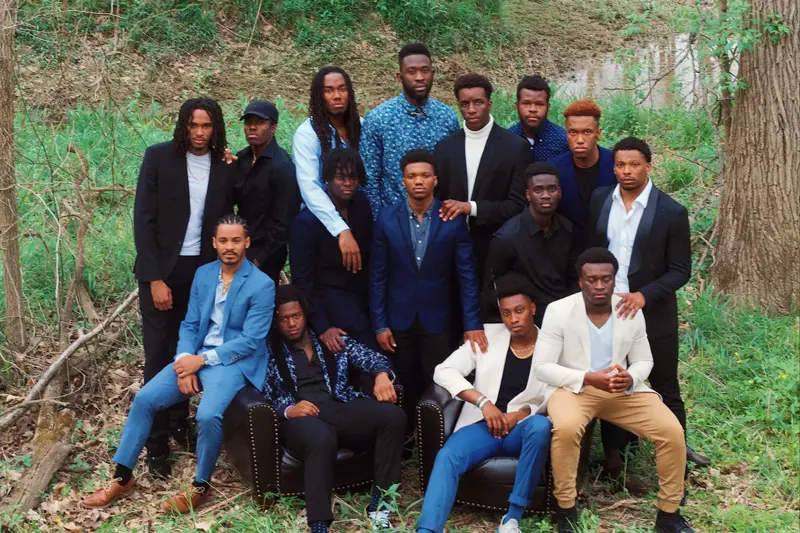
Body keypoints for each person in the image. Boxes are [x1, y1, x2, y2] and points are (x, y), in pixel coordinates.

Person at [82, 215, 275, 513]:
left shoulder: (262, 284)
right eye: (223, 240)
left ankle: (200, 486)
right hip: (195, 357)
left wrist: (201, 360)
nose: (230, 247)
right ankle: (122, 478)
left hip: (232, 363)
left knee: (208, 416)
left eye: (236, 240)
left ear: (246, 242)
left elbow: (251, 340)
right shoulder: (204, 274)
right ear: (214, 243)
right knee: (145, 398)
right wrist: (185, 360)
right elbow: (189, 323)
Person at [533, 248, 694, 533]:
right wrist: (587, 377)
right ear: (580, 280)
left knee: (671, 431)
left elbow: (645, 359)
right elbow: (543, 367)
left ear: (614, 280)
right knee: (567, 429)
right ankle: (566, 508)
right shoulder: (559, 311)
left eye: (605, 279)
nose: (598, 286)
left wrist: (630, 378)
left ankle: (668, 513)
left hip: (621, 391)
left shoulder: (629, 310)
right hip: (574, 388)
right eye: (591, 279)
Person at [589, 137, 710, 470]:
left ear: (648, 166)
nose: (626, 171)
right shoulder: (600, 200)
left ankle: (678, 455)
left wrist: (644, 295)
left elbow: (680, 271)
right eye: (620, 165)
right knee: (614, 382)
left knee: (665, 384)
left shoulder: (671, 211)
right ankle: (617, 459)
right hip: (608, 311)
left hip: (652, 312)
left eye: (634, 164)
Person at [132, 97, 235, 478]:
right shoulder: (159, 157)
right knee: (159, 356)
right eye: (193, 125)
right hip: (163, 270)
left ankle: (180, 423)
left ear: (216, 129)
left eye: (206, 126)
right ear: (182, 126)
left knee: (190, 350)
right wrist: (155, 277)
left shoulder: (224, 167)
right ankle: (156, 443)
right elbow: (143, 219)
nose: (199, 133)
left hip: (202, 272)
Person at [263, 285, 406, 533]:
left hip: (338, 406)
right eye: (284, 319)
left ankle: (381, 505)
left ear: (305, 314)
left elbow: (373, 358)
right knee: (321, 437)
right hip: (301, 417)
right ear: (276, 321)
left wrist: (382, 375)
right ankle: (319, 523)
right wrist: (287, 410)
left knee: (393, 417)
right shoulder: (268, 351)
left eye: (296, 316)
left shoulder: (329, 340)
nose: (291, 324)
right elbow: (260, 394)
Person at [416, 273, 552, 533]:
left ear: (533, 308)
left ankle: (511, 519)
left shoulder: (552, 344)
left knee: (539, 426)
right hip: (483, 427)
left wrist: (522, 413)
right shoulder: (488, 336)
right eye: (506, 313)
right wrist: (483, 402)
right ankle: (428, 529)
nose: (513, 319)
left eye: (520, 310)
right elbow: (443, 371)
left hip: (521, 431)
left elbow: (556, 392)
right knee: (447, 456)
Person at [370, 149, 487, 438]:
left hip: (439, 317)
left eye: (424, 175)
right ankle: (407, 438)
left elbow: (467, 275)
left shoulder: (452, 218)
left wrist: (472, 323)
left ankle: (436, 438)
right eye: (412, 176)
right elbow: (377, 276)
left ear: (435, 180)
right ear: (403, 181)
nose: (418, 181)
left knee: (438, 379)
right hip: (399, 318)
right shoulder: (387, 218)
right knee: (405, 379)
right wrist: (380, 323)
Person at [434, 73, 530, 278]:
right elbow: (438, 199)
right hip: (451, 247)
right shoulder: (444, 148)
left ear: (490, 104)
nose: (471, 110)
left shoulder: (515, 147)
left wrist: (471, 207)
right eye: (464, 104)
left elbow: (518, 205)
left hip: (496, 246)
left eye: (478, 102)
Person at [289, 148, 376, 351]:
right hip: (329, 300)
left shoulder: (361, 204)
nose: (347, 184)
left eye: (353, 178)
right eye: (340, 178)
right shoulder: (306, 222)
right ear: (327, 178)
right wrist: (322, 326)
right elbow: (302, 280)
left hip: (363, 295)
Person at [361, 43, 459, 215]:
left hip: (439, 219)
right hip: (393, 218)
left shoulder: (447, 117)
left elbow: (455, 172)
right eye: (411, 71)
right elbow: (370, 177)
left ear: (433, 74)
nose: (419, 77)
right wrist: (380, 221)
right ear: (400, 76)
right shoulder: (379, 118)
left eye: (425, 70)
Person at [484, 162, 579, 326]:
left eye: (552, 189)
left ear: (560, 192)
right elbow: (493, 289)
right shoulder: (506, 238)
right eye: (538, 190)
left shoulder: (568, 229)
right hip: (525, 322)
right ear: (528, 195)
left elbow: (574, 278)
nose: (546, 195)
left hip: (565, 317)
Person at [292, 66, 364, 276]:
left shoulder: (360, 127)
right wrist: (341, 229)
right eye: (329, 90)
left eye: (342, 89)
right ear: (319, 96)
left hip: (357, 213)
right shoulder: (308, 134)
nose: (337, 96)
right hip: (319, 220)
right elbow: (309, 188)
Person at [234, 99, 300, 283]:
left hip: (266, 254)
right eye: (248, 123)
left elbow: (284, 222)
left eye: (260, 123)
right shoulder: (242, 158)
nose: (252, 128)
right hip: (239, 246)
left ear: (274, 128)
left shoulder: (282, 166)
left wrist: (259, 259)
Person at [549, 99, 616, 248]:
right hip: (568, 252)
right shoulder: (554, 169)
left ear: (598, 133)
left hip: (611, 250)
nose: (579, 140)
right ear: (566, 133)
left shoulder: (616, 165)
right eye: (573, 132)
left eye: (587, 132)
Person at [507, 75, 570, 162]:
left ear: (548, 107)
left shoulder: (563, 140)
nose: (533, 109)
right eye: (526, 103)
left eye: (539, 104)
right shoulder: (508, 140)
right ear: (517, 106)